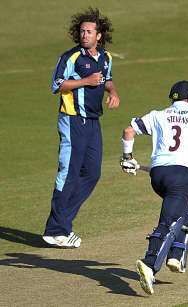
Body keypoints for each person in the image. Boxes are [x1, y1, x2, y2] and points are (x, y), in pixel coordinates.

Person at [120, 80, 188, 295]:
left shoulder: (158, 115)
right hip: (181, 177)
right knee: (169, 221)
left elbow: (128, 131)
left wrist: (127, 157)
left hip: (158, 177)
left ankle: (176, 254)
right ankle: (149, 265)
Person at [42, 7, 120, 248]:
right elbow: (57, 85)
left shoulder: (105, 57)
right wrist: (86, 81)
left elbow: (106, 79)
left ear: (99, 35)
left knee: (92, 172)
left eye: (89, 31)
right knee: (69, 171)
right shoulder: (71, 57)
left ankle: (62, 223)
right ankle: (56, 229)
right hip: (73, 119)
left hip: (93, 121)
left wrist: (113, 92)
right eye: (82, 31)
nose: (84, 34)